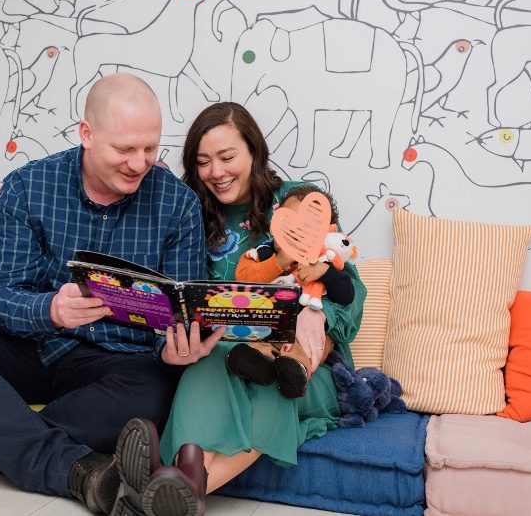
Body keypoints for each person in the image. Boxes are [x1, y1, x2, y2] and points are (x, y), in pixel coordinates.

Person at [0, 73, 223, 515]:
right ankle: (76, 470)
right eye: (124, 149)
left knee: (155, 392)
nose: (140, 164)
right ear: (86, 134)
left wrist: (175, 349)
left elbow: (175, 315)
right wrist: (51, 309)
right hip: (27, 347)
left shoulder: (178, 205)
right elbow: (2, 298)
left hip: (116, 364)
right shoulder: (28, 187)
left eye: (150, 148)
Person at [137, 102, 367, 508]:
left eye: (227, 157)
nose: (217, 172)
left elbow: (348, 293)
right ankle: (175, 495)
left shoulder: (298, 203)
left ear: (254, 153)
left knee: (273, 381)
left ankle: (160, 496)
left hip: (304, 363)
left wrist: (315, 320)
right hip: (229, 355)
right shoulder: (194, 213)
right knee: (213, 360)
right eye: (203, 162)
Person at [229, 184, 356, 399]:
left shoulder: (325, 261)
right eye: (288, 224)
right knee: (259, 338)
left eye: (307, 228)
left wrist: (324, 271)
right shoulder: (264, 253)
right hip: (269, 322)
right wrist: (278, 261)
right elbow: (244, 279)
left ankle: (295, 371)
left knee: (312, 342)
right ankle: (259, 363)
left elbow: (346, 295)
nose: (296, 234)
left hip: (309, 331)